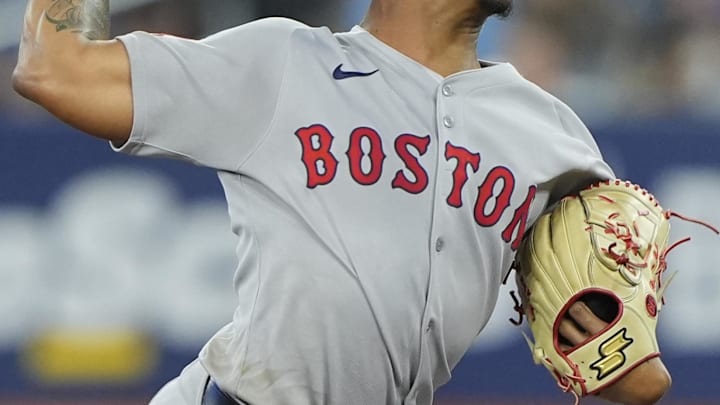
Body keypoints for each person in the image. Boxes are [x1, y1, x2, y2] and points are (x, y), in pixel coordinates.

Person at [13, 0, 672, 404]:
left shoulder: (552, 135)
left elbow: (635, 379)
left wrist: (616, 344)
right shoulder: (282, 65)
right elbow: (53, 70)